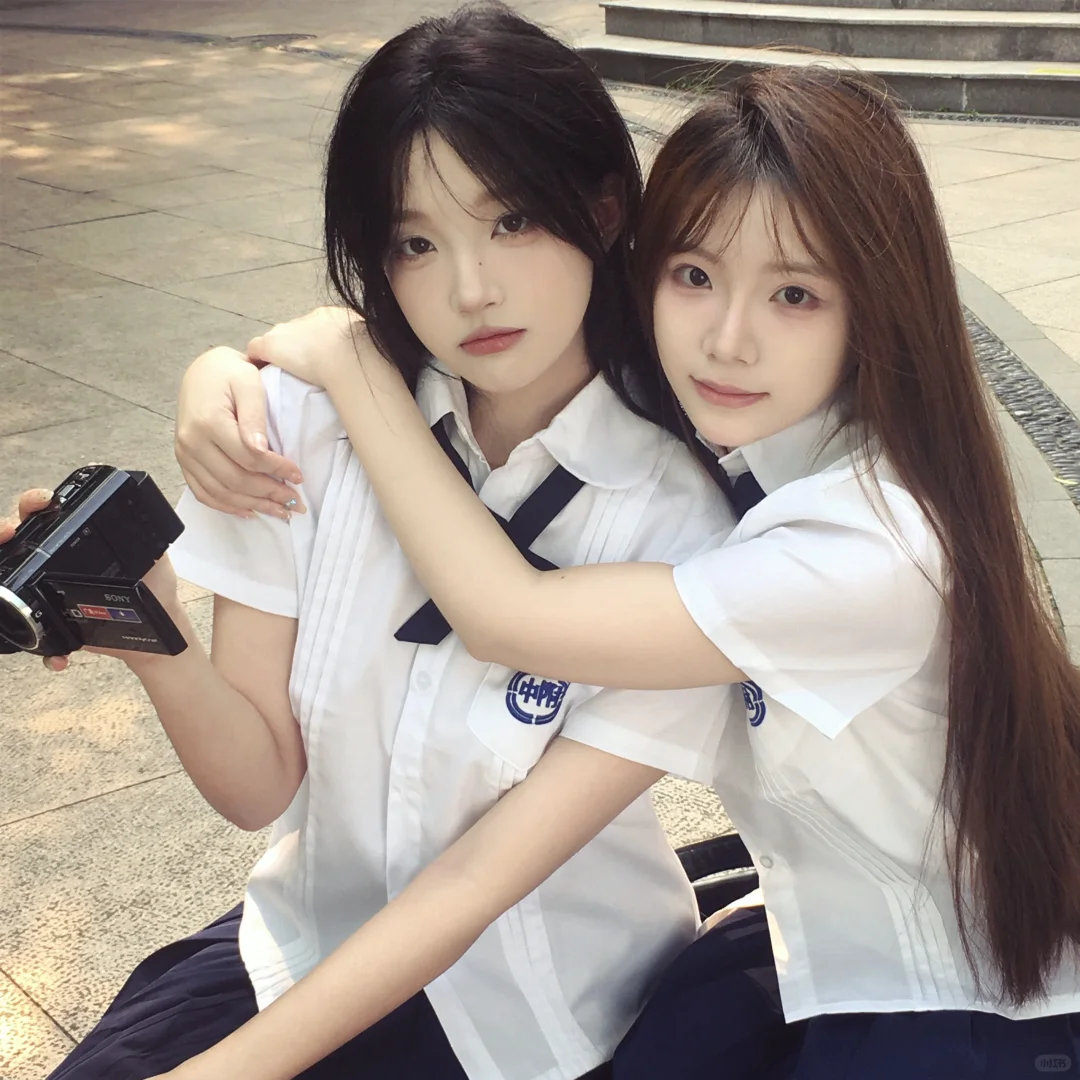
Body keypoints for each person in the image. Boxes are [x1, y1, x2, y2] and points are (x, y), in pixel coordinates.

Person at [183, 66, 1080, 1078]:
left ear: (878, 304)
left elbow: (508, 617)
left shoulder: (872, 549)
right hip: (820, 939)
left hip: (971, 1002)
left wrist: (351, 370)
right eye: (694, 276)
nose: (727, 341)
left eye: (794, 294)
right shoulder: (771, 440)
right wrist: (222, 380)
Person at [6, 6, 740, 1080]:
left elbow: (476, 887)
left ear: (601, 208)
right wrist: (154, 637)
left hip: (546, 1005)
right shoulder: (299, 431)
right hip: (306, 946)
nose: (471, 289)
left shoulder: (686, 528)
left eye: (512, 221)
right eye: (416, 243)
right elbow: (259, 786)